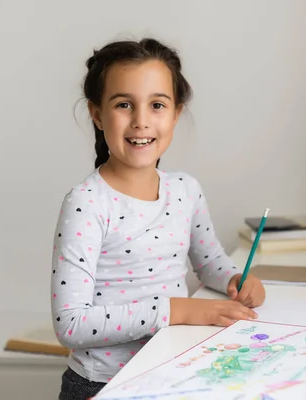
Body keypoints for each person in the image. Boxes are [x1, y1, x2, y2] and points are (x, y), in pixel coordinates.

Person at [51, 37, 266, 400]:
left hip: (172, 373)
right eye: (123, 104)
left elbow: (209, 261)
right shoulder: (87, 204)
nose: (141, 121)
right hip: (102, 385)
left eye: (157, 105)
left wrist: (234, 278)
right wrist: (176, 310)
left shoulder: (185, 190)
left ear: (176, 113)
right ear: (97, 114)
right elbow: (70, 324)